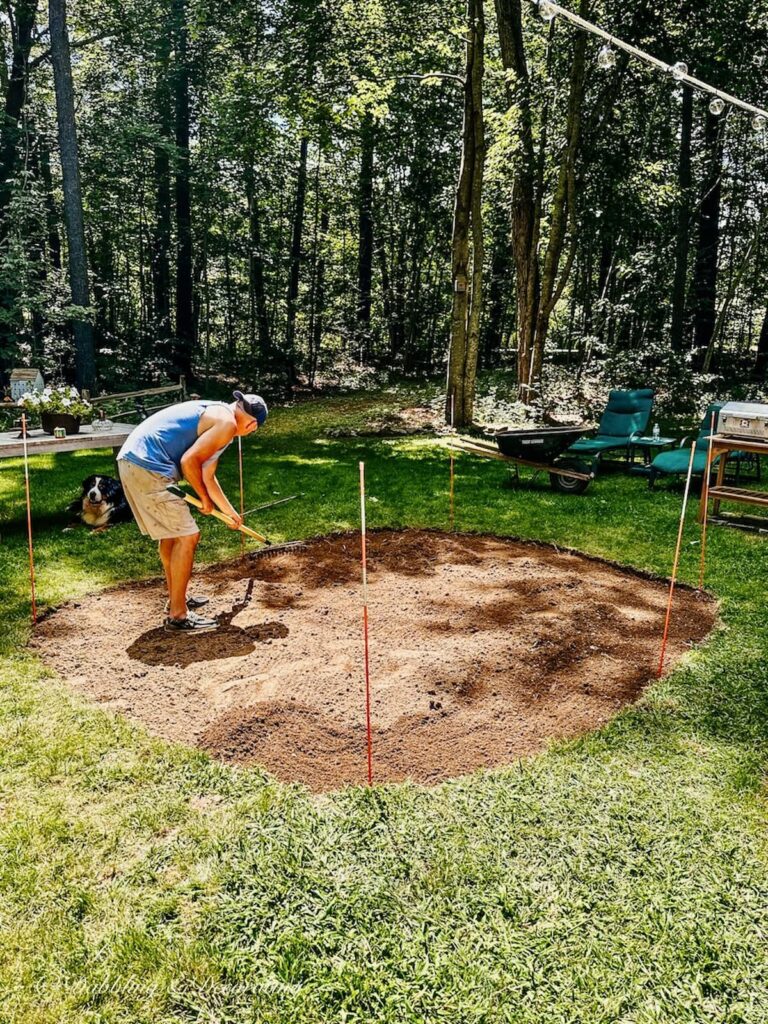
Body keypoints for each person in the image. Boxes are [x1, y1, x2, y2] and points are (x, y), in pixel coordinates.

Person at [117, 390, 268, 633]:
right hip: (148, 465)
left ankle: (178, 597)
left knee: (172, 535)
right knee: (187, 537)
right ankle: (178, 615)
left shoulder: (220, 413)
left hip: (133, 460)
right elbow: (189, 462)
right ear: (252, 425)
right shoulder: (227, 423)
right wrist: (204, 500)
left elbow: (208, 474)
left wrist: (229, 512)